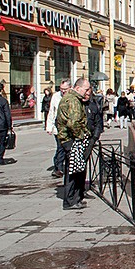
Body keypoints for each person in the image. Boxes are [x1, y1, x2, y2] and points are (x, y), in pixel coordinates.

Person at [57, 78, 92, 210]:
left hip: (68, 139)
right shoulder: (73, 100)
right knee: (73, 172)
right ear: (78, 88)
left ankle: (75, 198)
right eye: (86, 89)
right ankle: (70, 200)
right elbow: (73, 123)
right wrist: (82, 136)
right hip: (71, 140)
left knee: (76, 170)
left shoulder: (71, 98)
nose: (87, 91)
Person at [45, 79, 71, 179]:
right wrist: (49, 126)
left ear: (70, 88)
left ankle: (59, 166)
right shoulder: (56, 96)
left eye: (65, 89)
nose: (63, 91)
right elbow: (51, 111)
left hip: (69, 127)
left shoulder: (73, 96)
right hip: (57, 126)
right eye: (61, 89)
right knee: (61, 147)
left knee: (63, 148)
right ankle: (58, 168)